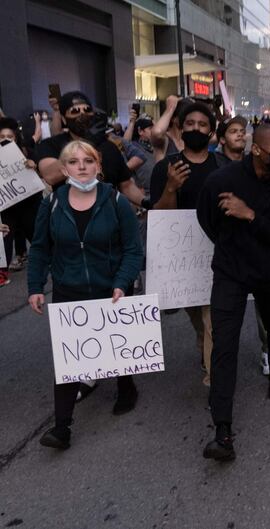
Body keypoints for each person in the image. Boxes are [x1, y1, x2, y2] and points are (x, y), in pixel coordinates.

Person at [27, 140, 143, 449]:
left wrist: (121, 281)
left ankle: (126, 387)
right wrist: (35, 287)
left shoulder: (116, 201)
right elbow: (39, 248)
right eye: (74, 162)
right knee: (70, 360)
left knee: (119, 351)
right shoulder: (51, 204)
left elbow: (133, 250)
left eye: (88, 161)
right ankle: (61, 428)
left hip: (112, 288)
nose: (82, 167)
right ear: (64, 170)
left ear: (98, 167)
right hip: (68, 291)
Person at [197, 125, 270, 461]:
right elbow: (207, 220)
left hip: (269, 271)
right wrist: (232, 244)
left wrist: (250, 215)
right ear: (256, 149)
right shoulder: (222, 180)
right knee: (223, 343)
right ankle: (222, 431)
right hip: (229, 272)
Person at [149, 102, 219, 386]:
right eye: (190, 124)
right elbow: (160, 217)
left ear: (212, 132)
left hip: (218, 257)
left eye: (202, 125)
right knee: (201, 322)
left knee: (214, 320)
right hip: (183, 263)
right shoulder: (166, 167)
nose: (196, 129)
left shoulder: (223, 166)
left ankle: (216, 381)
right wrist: (170, 188)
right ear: (180, 127)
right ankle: (207, 354)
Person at [33, 91, 147, 209]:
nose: (82, 114)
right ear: (64, 119)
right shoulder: (52, 144)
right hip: (70, 219)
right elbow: (50, 175)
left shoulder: (108, 146)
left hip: (106, 216)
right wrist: (87, 142)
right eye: (75, 111)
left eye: (87, 110)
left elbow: (126, 185)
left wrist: (145, 202)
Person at [0, 117, 41, 280]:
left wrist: (33, 165)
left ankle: (49, 262)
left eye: (9, 137)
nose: (5, 140)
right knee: (5, 238)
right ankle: (2, 272)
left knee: (36, 235)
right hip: (7, 207)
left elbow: (41, 170)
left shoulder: (26, 152)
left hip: (28, 204)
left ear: (15, 138)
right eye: (2, 137)